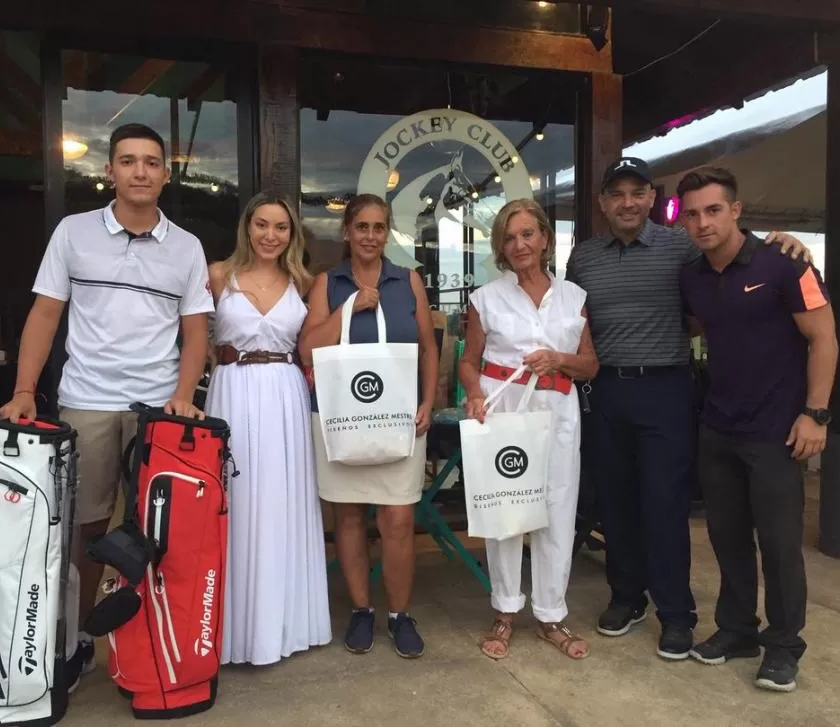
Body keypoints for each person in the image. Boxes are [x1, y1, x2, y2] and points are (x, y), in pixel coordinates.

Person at [566, 157, 812, 660]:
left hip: (666, 390)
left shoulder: (681, 245)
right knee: (614, 502)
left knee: (664, 504)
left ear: (653, 200)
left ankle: (676, 614)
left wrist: (786, 242)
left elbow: (731, 251)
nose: (628, 202)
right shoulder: (583, 258)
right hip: (605, 391)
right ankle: (626, 597)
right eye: (617, 194)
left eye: (638, 192)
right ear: (603, 203)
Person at [0, 123, 213, 676]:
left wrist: (184, 395)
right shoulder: (73, 232)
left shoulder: (186, 247)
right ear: (109, 171)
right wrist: (25, 390)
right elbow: (45, 314)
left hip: (158, 410)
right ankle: (74, 639)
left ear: (166, 174)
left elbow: (195, 332)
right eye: (128, 161)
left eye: (150, 162)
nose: (140, 171)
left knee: (157, 530)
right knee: (84, 529)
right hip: (87, 400)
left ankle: (148, 638)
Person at [677, 167, 837, 692]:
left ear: (737, 210)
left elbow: (825, 339)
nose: (703, 223)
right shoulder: (693, 277)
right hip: (719, 427)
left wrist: (815, 414)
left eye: (713, 210)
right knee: (727, 540)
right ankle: (738, 631)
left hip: (777, 431)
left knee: (780, 545)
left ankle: (784, 646)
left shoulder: (785, 263)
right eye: (693, 214)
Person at [298, 193, 438, 659]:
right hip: (340, 417)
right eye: (362, 227)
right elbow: (307, 348)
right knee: (350, 516)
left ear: (387, 232)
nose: (371, 236)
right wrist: (349, 309)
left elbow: (427, 347)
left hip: (399, 416)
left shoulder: (409, 280)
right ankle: (362, 610)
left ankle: (399, 614)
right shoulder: (327, 282)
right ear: (347, 232)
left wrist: (429, 400)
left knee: (398, 517)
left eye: (379, 227)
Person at [458, 199, 599, 661]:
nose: (519, 244)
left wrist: (559, 358)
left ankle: (551, 613)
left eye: (527, 234)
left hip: (558, 408)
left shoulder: (574, 297)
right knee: (506, 511)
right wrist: (475, 395)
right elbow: (467, 361)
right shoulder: (486, 298)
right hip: (507, 408)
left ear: (544, 238)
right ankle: (504, 610)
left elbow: (591, 364)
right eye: (509, 236)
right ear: (500, 245)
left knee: (558, 506)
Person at [205, 191, 332, 666]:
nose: (270, 236)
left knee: (281, 500)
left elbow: (315, 341)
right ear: (247, 227)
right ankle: (231, 629)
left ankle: (284, 624)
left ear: (292, 234)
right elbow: (192, 337)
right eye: (262, 225)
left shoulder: (303, 282)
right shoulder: (218, 275)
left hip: (284, 393)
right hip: (231, 389)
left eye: (281, 227)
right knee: (234, 501)